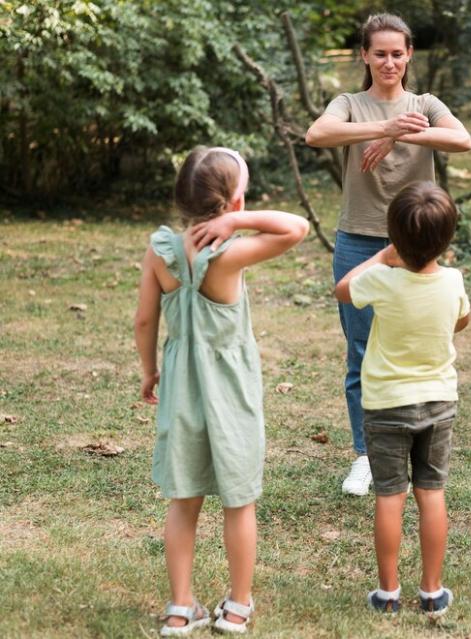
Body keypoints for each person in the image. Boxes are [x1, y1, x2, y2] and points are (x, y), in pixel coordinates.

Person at [134, 146, 309, 636]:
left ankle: (179, 606)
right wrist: (240, 222)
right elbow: (297, 227)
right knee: (239, 500)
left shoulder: (160, 249)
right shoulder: (230, 253)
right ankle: (237, 606)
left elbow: (145, 319)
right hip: (230, 392)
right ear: (233, 202)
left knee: (183, 500)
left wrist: (149, 371)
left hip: (182, 388)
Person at [306, 12, 471, 496]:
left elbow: (461, 139)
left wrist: (397, 132)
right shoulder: (350, 103)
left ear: (409, 55)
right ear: (364, 55)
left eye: (397, 53)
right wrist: (375, 129)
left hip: (417, 243)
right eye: (379, 53)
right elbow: (318, 134)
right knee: (360, 353)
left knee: (420, 347)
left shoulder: (424, 103)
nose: (389, 62)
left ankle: (419, 446)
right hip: (358, 240)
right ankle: (365, 455)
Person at [334, 181, 470, 617]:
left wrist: (380, 255)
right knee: (431, 493)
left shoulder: (380, 279)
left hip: (385, 404)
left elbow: (342, 290)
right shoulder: (452, 281)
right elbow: (461, 322)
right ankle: (432, 592)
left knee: (390, 496)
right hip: (438, 403)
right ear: (447, 240)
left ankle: (388, 592)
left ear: (394, 235)